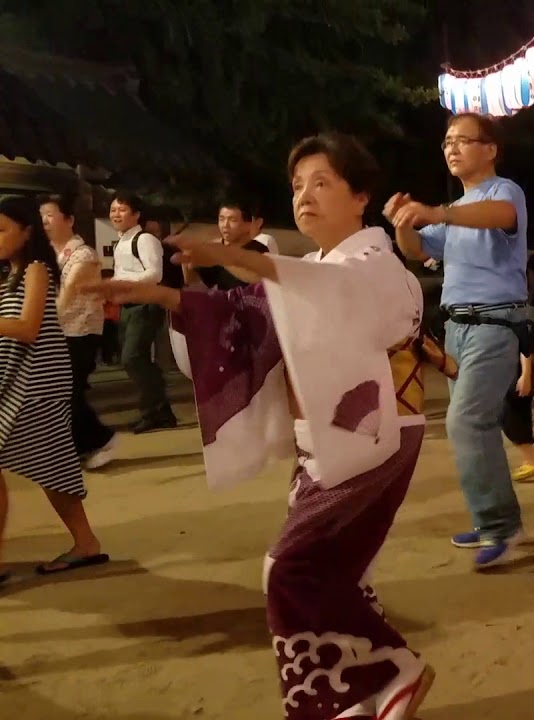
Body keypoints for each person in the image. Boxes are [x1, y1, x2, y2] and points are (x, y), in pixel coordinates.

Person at [85, 133, 434, 719]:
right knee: (338, 575)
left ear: (362, 198)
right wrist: (158, 294)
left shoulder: (376, 266)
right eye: (298, 185)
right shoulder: (314, 267)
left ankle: (391, 668)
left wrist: (238, 257)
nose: (306, 195)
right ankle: (359, 692)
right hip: (327, 438)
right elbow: (242, 313)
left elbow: (333, 294)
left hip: (378, 431)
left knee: (289, 567)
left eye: (322, 182)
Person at [387, 112, 528, 569]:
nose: (451, 148)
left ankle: (500, 527)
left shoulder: (502, 191)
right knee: (473, 423)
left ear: (489, 149)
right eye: (446, 141)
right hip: (457, 329)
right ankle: (492, 521)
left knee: (466, 422)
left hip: (494, 324)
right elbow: (415, 250)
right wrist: (403, 223)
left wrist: (434, 212)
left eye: (462, 140)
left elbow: (501, 216)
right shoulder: (456, 214)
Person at [0, 195, 108, 588]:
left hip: (37, 384)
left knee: (52, 465)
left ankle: (85, 542)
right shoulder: (8, 272)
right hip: (16, 381)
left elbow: (28, 328)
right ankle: (86, 542)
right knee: (53, 466)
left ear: (26, 232)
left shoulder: (36, 268)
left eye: (1, 230)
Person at [40, 193, 117, 468]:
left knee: (67, 392)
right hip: (56, 333)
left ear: (69, 219)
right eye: (41, 217)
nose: (44, 221)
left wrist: (39, 323)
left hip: (80, 332)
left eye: (50, 215)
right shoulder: (46, 254)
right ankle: (82, 445)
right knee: (60, 393)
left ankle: (100, 440)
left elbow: (67, 294)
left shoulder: (83, 254)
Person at [108, 192, 177, 433]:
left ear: (136, 214)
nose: (116, 214)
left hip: (145, 305)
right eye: (113, 209)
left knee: (133, 358)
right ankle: (161, 411)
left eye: (122, 209)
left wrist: (123, 281)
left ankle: (153, 411)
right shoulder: (121, 242)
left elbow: (154, 274)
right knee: (134, 359)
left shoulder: (145, 239)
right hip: (128, 305)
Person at [503, 348, 534, 481]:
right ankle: (531, 459)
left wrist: (525, 375)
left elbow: (526, 347)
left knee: (512, 415)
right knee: (511, 415)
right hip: (506, 370)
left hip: (517, 372)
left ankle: (533, 460)